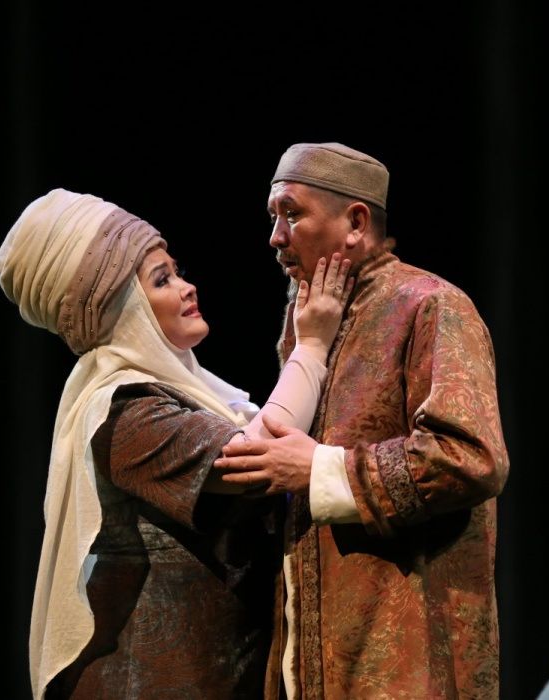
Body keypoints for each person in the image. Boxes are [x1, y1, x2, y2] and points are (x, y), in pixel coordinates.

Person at [0, 188, 353, 699]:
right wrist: (312, 347)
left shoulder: (191, 396)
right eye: (162, 281)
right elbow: (251, 461)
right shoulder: (122, 411)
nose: (187, 287)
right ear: (121, 309)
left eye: (176, 271)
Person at [214, 143, 510, 699]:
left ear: (355, 222)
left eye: (292, 214)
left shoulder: (431, 305)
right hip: (318, 647)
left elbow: (471, 458)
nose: (276, 237)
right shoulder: (310, 321)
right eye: (273, 217)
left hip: (407, 650)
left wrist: (321, 471)